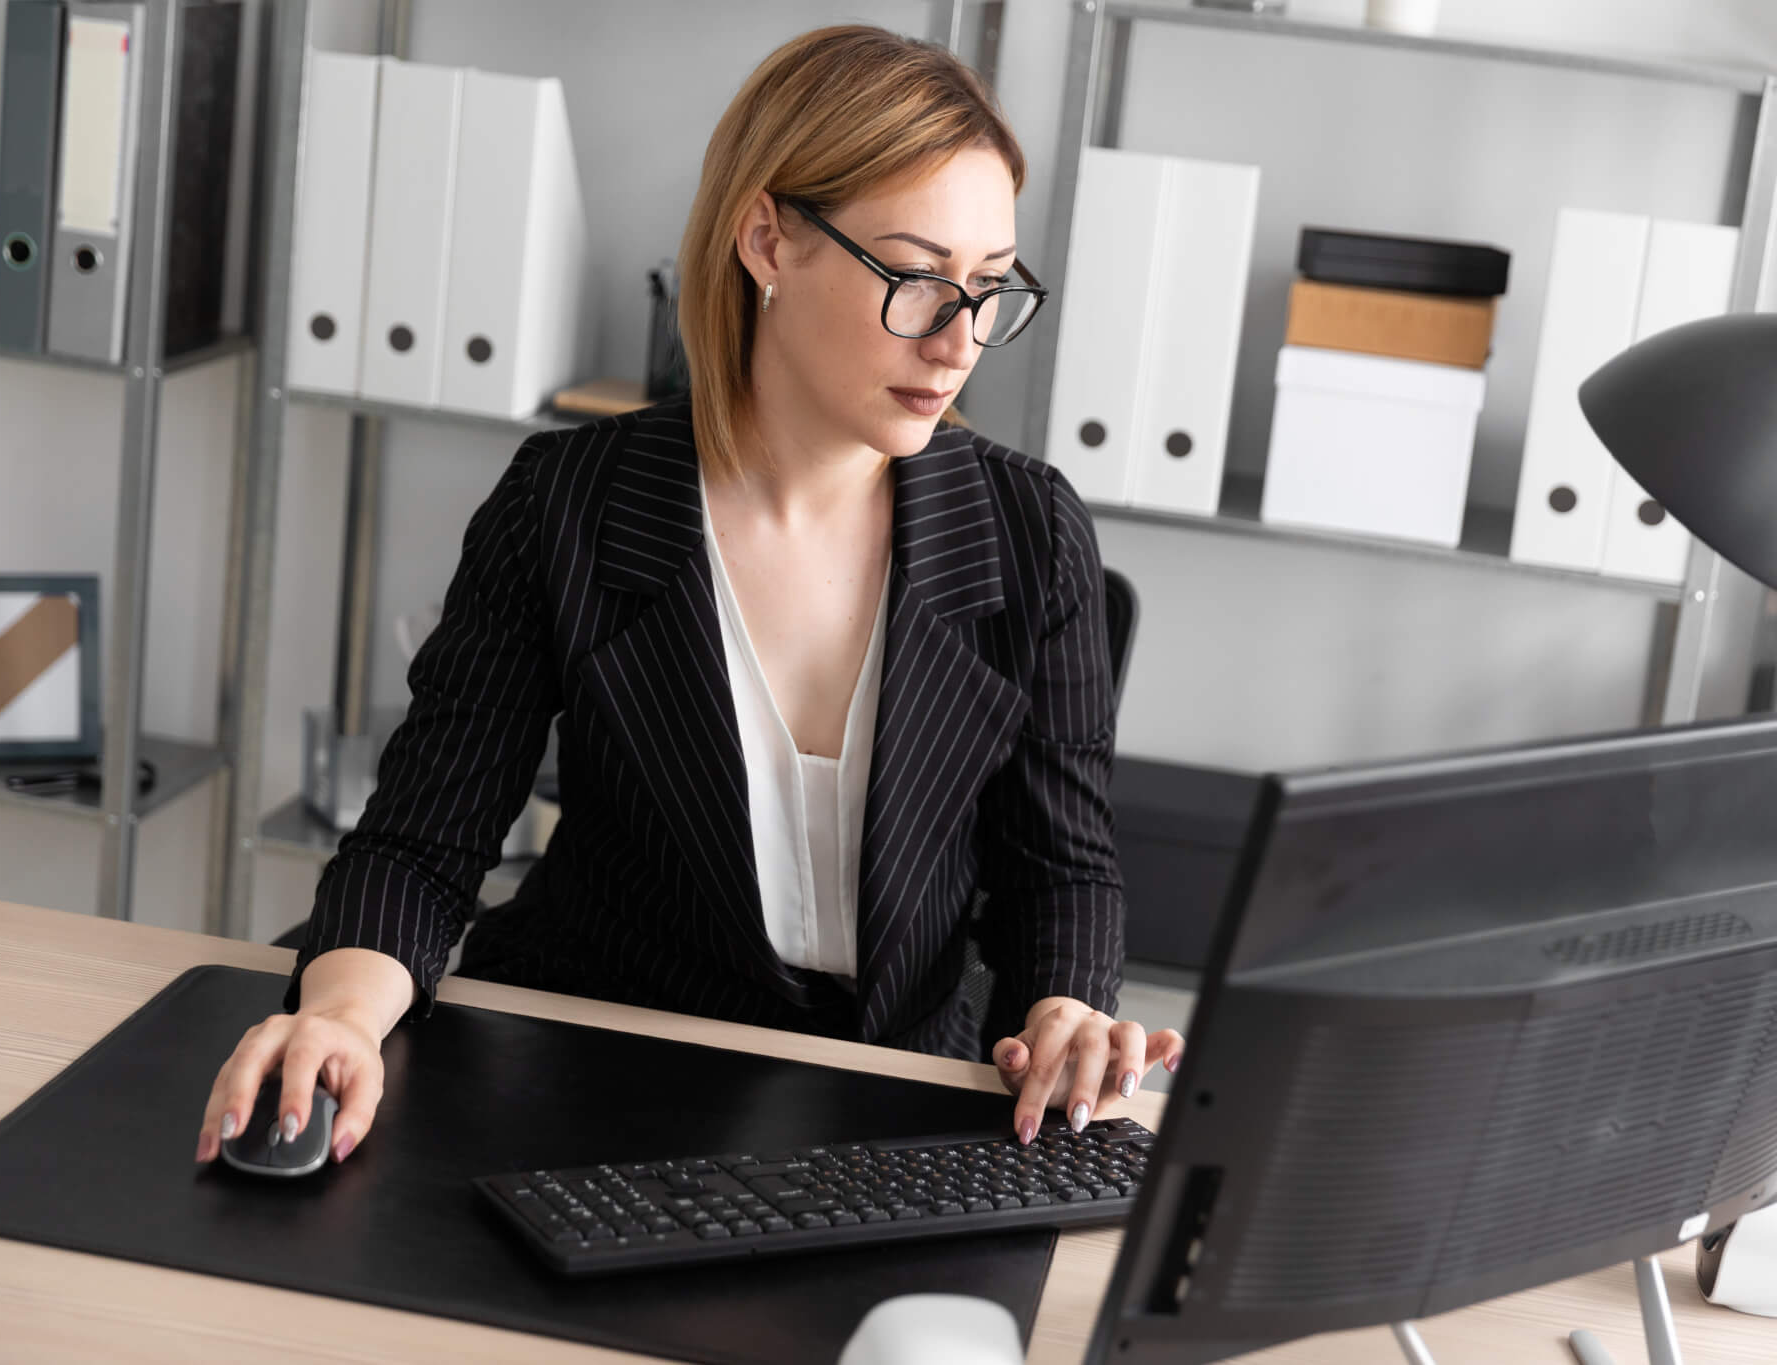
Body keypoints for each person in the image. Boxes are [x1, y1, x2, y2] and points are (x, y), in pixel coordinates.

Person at [195, 24, 1182, 1173]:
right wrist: (341, 1015)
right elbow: (421, 841)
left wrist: (1062, 1010)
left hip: (888, 1110)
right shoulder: (569, 503)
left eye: (989, 288)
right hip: (594, 1086)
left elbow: (1059, 870)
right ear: (766, 238)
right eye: (914, 279)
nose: (958, 340)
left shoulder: (1029, 533)